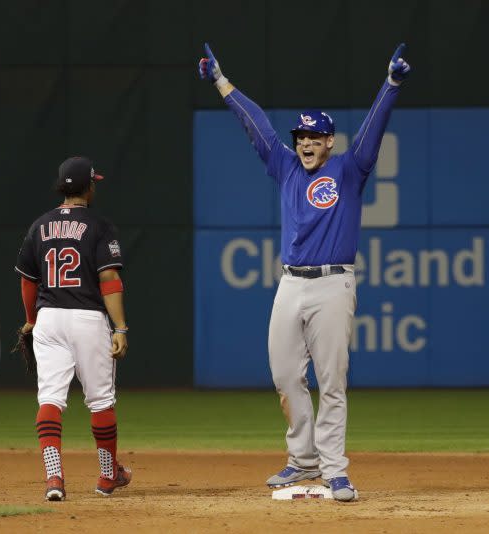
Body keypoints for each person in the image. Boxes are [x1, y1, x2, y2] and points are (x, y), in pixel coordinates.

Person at [199, 42, 411, 501]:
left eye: (315, 138)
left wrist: (390, 84)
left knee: (332, 381)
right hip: (291, 284)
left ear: (329, 142)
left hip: (334, 283)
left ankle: (335, 470)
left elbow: (374, 131)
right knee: (284, 375)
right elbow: (255, 125)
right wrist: (221, 82)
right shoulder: (286, 167)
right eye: (301, 137)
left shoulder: (349, 170)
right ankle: (303, 460)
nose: (307, 143)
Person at [15, 156, 131, 501]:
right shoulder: (99, 226)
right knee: (100, 401)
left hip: (48, 318)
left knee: (50, 398)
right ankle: (108, 477)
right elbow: (109, 279)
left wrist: (31, 319)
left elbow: (27, 281)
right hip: (86, 318)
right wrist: (120, 327)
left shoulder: (39, 225)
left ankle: (54, 478)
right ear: (89, 187)